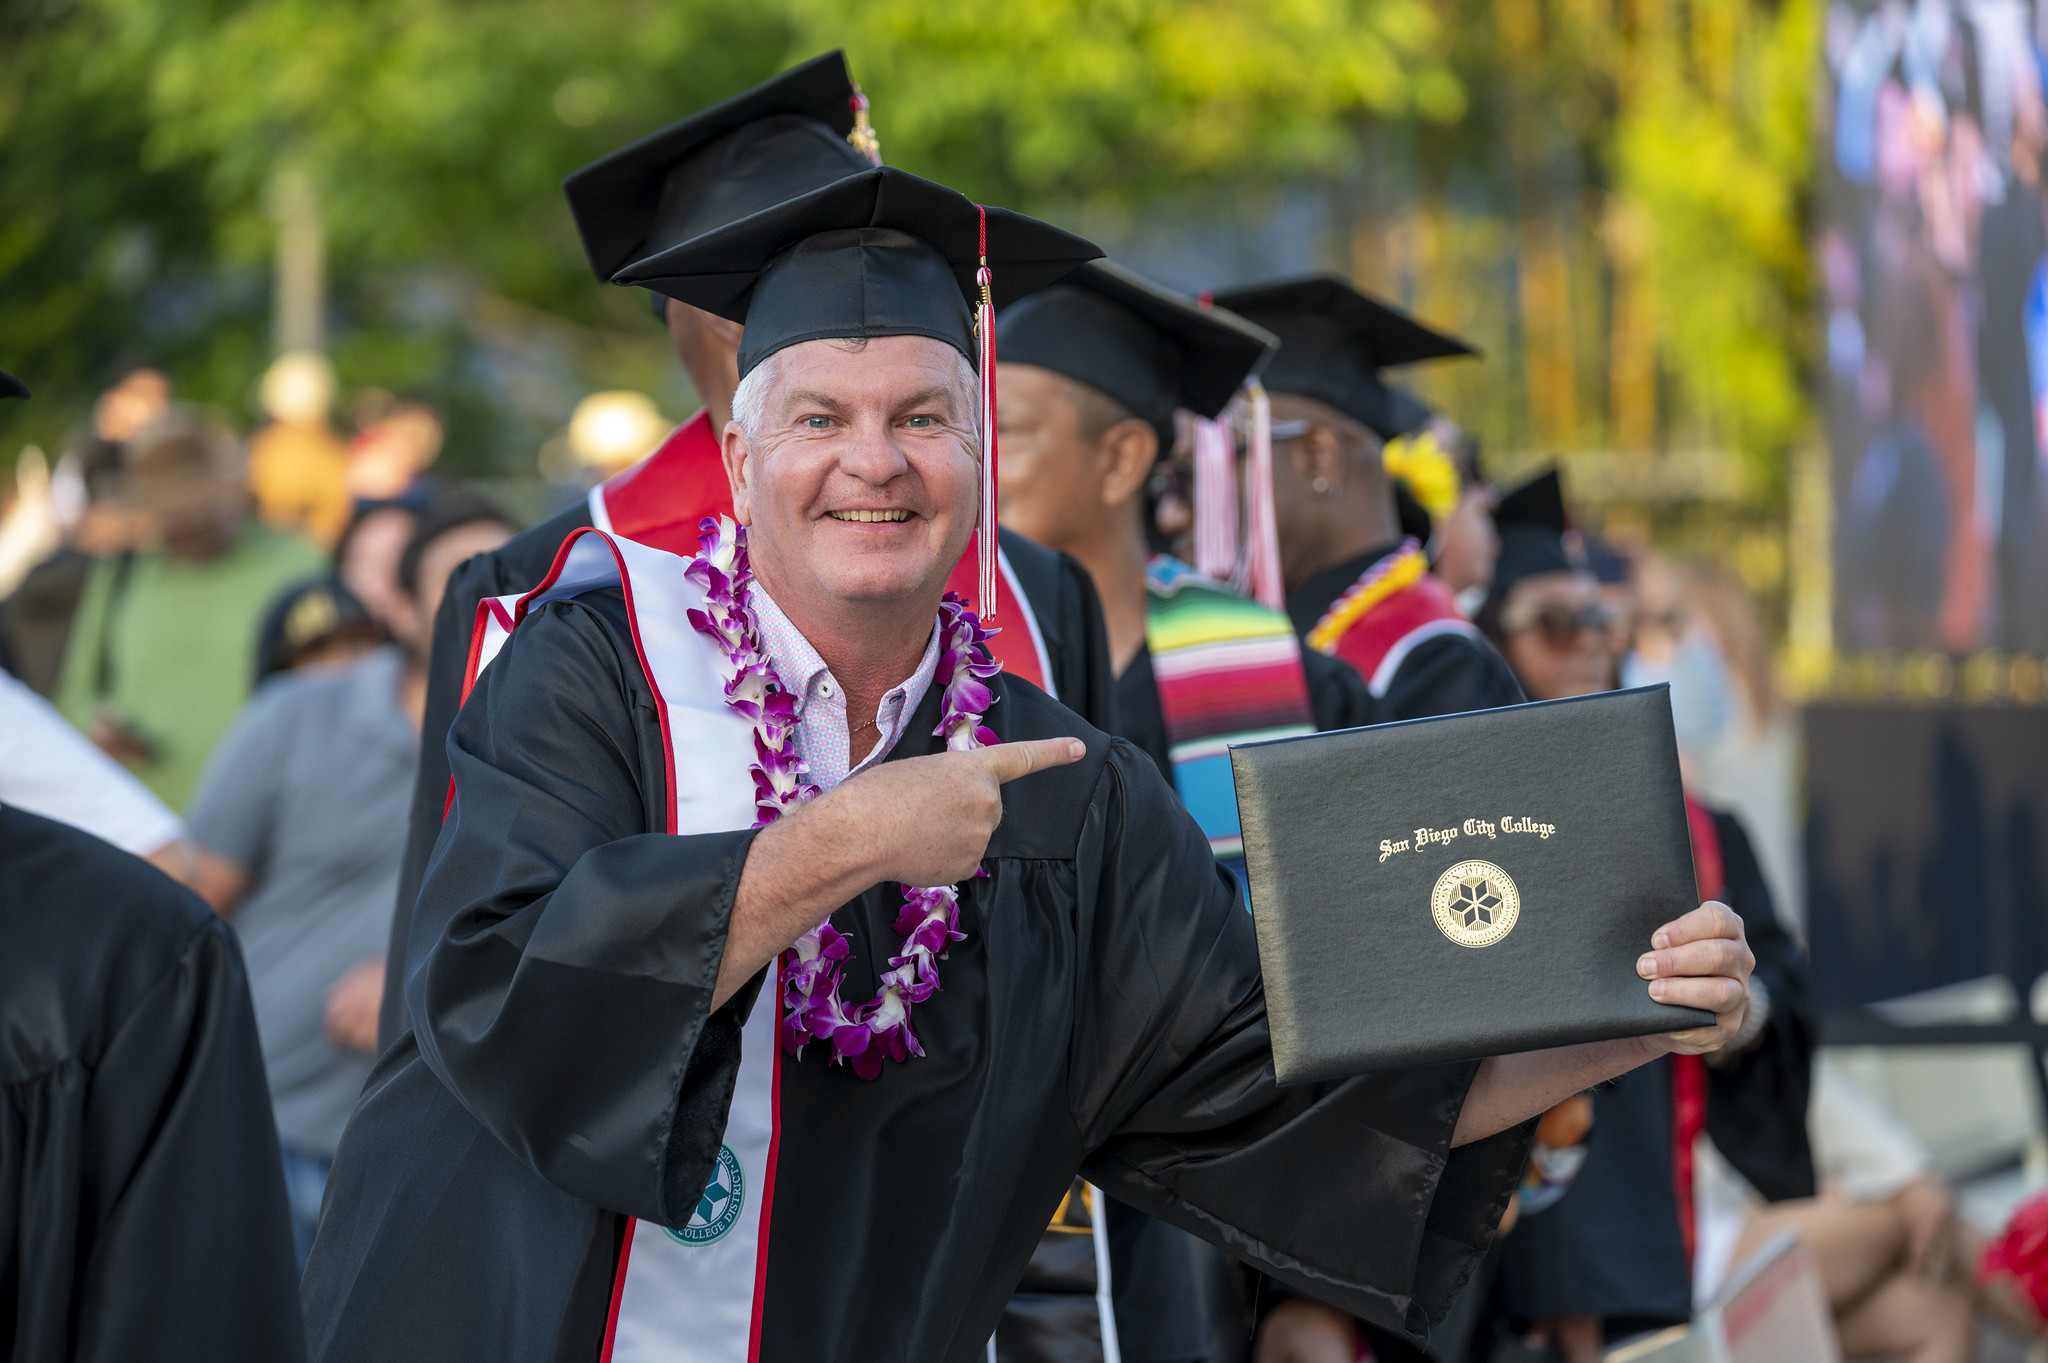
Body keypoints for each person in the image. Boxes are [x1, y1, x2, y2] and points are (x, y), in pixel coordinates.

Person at [301, 164, 1754, 1363]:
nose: (873, 460)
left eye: (922, 417)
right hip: (512, 1319)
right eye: (819, 418)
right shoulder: (585, 667)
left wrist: (1615, 1015)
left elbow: (1266, 1071)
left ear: (977, 460)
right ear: (740, 468)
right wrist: (846, 839)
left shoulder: (1057, 782)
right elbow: (497, 986)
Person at [377, 52, 1117, 1050]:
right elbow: (469, 946)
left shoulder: (1023, 579)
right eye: (747, 277)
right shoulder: (542, 582)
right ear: (675, 305)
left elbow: (1115, 917)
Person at [993, 261, 1380, 1363]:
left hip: (1219, 1225)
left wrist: (1318, 1292)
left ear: (1120, 459)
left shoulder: (1278, 677)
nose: (970, 466)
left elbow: (1356, 980)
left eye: (1008, 432)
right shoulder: (944, 668)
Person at [0, 366, 305, 1361]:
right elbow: (81, 685)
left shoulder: (289, 572)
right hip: (118, 838)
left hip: (207, 871)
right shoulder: (124, 577)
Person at [1475, 470, 1813, 1363]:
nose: (1590, 643)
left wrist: (1730, 1009)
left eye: (1604, 622)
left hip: (1658, 1221)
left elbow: (1781, 984)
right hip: (1513, 1260)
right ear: (1487, 634)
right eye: (1556, 622)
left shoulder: (1694, 820)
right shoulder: (1468, 821)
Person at [186, 492, 513, 1266]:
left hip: (448, 1150)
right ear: (399, 607)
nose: (501, 600)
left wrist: (412, 985)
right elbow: (190, 911)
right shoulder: (293, 715)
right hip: (269, 1129)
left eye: (520, 576)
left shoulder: (562, 744)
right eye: (467, 577)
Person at [1209, 277, 1524, 721]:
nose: (1176, 512)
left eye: (1211, 466)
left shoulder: (1430, 665)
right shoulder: (1292, 633)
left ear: (1318, 459)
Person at [53, 408, 326, 810]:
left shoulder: (298, 567)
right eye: (169, 512)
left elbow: (335, 699)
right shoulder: (124, 572)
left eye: (196, 508)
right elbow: (76, 689)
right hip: (140, 821)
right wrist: (96, 725)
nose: (183, 524)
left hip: (262, 822)